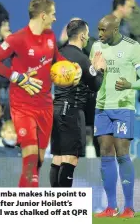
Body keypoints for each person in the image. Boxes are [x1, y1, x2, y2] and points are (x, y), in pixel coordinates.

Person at [0, 0, 81, 187]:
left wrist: (71, 67)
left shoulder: (50, 38)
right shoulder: (17, 39)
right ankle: (31, 207)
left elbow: (57, 58)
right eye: (53, 14)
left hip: (45, 105)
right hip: (22, 106)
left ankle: (23, 207)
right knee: (29, 158)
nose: (55, 18)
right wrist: (17, 77)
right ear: (43, 16)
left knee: (36, 163)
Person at [91, 14, 140, 218]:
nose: (99, 34)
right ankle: (110, 206)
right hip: (101, 107)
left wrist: (129, 84)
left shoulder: (133, 47)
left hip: (123, 107)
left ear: (115, 30)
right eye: (98, 29)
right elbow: (92, 76)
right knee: (105, 152)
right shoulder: (96, 47)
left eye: (103, 30)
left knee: (122, 152)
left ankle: (129, 207)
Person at [49, 19, 106, 187]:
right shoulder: (81, 58)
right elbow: (96, 85)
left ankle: (55, 206)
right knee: (71, 158)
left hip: (57, 109)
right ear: (82, 36)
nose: (88, 37)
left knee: (58, 157)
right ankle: (65, 206)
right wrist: (99, 69)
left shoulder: (59, 53)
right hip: (73, 111)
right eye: (87, 34)